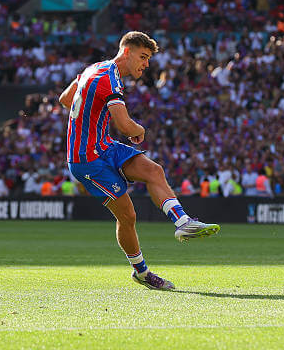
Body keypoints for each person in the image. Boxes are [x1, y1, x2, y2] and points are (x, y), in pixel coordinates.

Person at [59, 31, 220, 291]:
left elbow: (65, 99)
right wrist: (139, 130)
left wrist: (88, 118)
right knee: (128, 215)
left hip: (103, 145)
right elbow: (124, 125)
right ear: (126, 52)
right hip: (87, 159)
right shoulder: (109, 79)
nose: (146, 64)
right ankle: (142, 272)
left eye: (148, 59)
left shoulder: (94, 69)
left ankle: (183, 223)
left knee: (153, 170)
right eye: (143, 57)